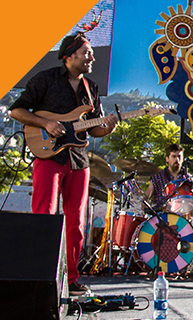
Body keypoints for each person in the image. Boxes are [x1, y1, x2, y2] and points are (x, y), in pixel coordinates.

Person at [9, 31, 118, 295]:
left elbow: (94, 129)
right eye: (86, 52)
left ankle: (70, 279)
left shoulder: (91, 89)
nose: (92, 57)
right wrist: (46, 123)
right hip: (49, 156)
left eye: (91, 52)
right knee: (43, 216)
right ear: (69, 56)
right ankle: (36, 278)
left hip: (79, 161)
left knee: (76, 224)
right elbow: (17, 110)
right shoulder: (45, 80)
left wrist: (110, 128)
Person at [144, 143, 192, 208]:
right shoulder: (158, 176)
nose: (177, 160)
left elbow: (192, 202)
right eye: (174, 156)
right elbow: (146, 198)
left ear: (183, 159)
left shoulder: (187, 178)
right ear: (167, 159)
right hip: (162, 215)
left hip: (181, 215)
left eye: (179, 157)